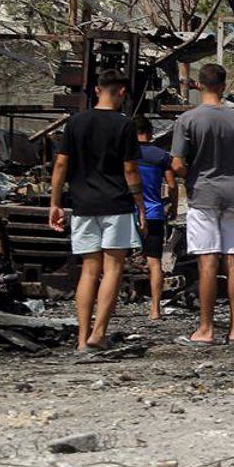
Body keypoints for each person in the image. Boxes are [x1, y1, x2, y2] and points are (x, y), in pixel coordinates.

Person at [47, 68, 142, 355]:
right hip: (116, 205)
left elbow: (61, 164)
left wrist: (55, 202)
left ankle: (81, 337)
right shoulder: (125, 125)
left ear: (98, 90)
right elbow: (130, 169)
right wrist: (140, 205)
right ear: (122, 92)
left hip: (83, 205)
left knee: (89, 271)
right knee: (113, 269)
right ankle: (98, 334)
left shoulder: (75, 123)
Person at [171, 62, 234, 346]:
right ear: (223, 85)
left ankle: (206, 329)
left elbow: (177, 164)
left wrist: (190, 175)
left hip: (203, 195)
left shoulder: (188, 119)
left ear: (199, 85)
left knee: (207, 261)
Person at [133, 115, 174, 322]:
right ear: (150, 133)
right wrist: (172, 205)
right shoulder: (161, 156)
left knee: (114, 262)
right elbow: (172, 185)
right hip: (154, 213)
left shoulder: (126, 154)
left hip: (127, 213)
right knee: (155, 262)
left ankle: (108, 307)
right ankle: (155, 309)